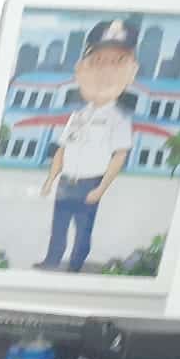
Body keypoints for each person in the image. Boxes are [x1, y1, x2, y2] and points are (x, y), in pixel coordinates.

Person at [36, 18, 140, 274]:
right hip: (67, 181)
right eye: (98, 61)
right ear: (82, 68)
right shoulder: (78, 114)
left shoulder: (119, 117)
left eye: (116, 63)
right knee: (58, 226)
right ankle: (52, 261)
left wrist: (101, 188)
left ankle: (74, 268)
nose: (105, 71)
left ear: (131, 71)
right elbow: (63, 148)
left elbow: (119, 155)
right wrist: (50, 179)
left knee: (83, 230)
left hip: (90, 182)